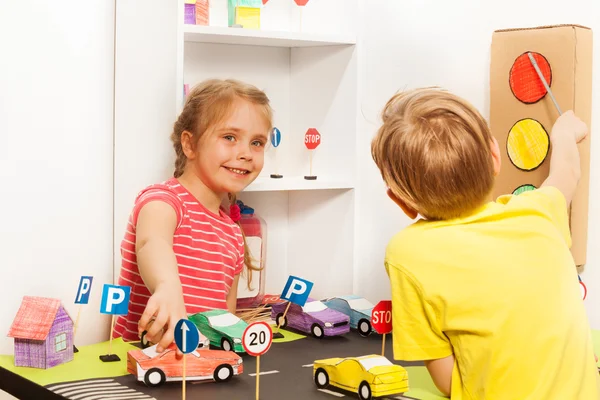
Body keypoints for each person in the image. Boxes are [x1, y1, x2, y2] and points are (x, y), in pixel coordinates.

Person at [370, 87, 600, 399]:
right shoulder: (539, 211)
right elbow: (567, 173)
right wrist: (564, 133)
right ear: (495, 156)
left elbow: (447, 380)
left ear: (401, 202)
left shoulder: (406, 252)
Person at [113, 78, 272, 354]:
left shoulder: (233, 233)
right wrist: (167, 286)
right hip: (143, 369)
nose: (246, 153)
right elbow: (152, 242)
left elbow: (226, 320)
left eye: (257, 142)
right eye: (230, 137)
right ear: (190, 144)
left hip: (199, 372)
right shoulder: (163, 201)